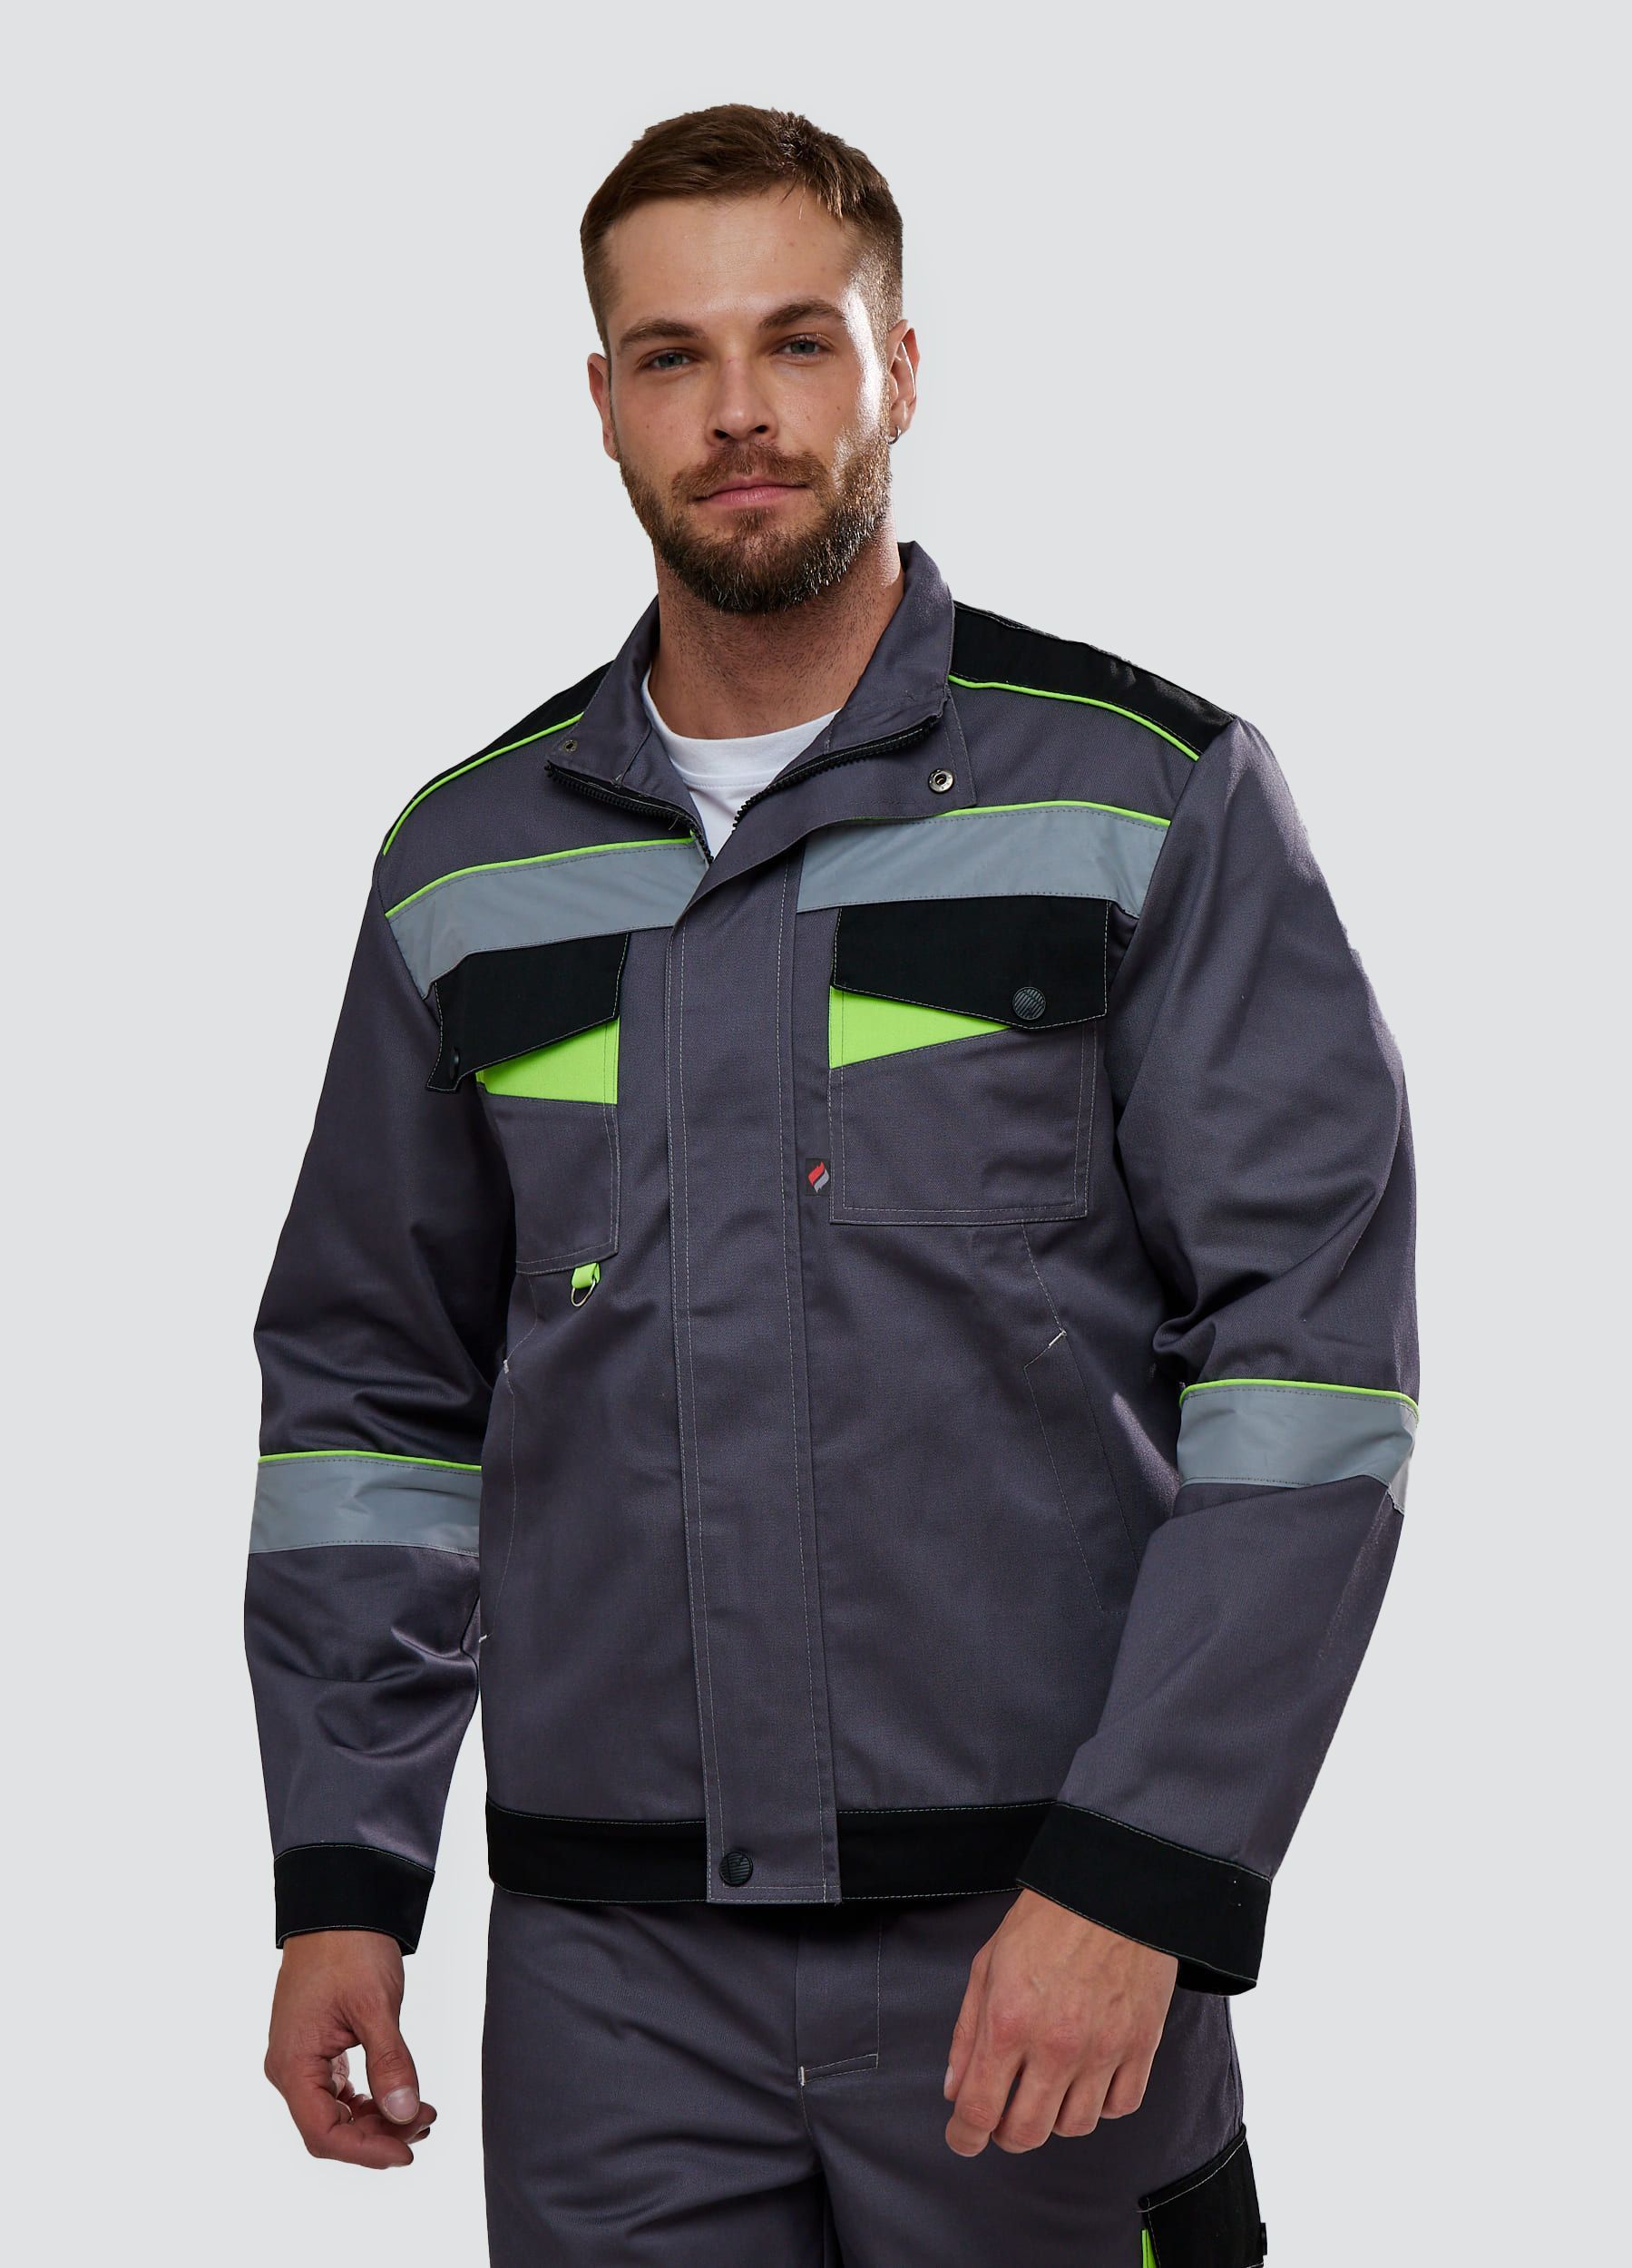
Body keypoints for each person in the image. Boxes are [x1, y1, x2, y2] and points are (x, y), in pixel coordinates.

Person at [248, 102, 1417, 2267]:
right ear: (600, 398)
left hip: (1033, 1944)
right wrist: (345, 1869)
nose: (738, 412)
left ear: (899, 367)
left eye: (795, 340)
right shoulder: (464, 871)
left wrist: (1138, 1872)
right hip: (607, 1989)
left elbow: (1307, 1377)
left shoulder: (1140, 799)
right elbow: (368, 1405)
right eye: (671, 355)